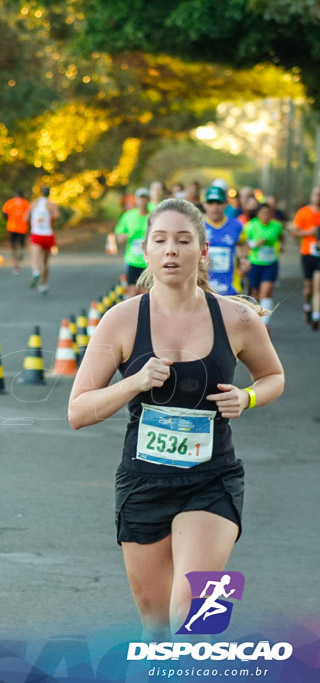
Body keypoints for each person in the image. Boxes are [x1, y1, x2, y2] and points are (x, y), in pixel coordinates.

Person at [67, 198, 284, 642]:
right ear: (145, 251)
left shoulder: (237, 318)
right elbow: (78, 411)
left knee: (197, 617)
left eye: (184, 241)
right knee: (157, 628)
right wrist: (133, 383)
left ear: (203, 251)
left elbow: (273, 377)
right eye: (160, 241)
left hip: (213, 479)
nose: (171, 250)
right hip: (144, 483)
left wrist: (247, 397)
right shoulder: (121, 320)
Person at [241, 203, 282, 328]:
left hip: (271, 263)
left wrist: (279, 247)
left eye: (268, 213)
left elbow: (281, 238)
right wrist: (255, 244)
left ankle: (265, 324)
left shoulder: (276, 226)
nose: (266, 215)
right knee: (255, 294)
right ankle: (254, 321)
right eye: (263, 213)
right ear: (258, 214)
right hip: (255, 263)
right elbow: (244, 244)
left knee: (267, 290)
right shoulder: (250, 226)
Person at [202, 185, 244, 296]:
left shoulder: (236, 225)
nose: (215, 207)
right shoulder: (196, 225)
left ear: (226, 204)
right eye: (211, 203)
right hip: (202, 287)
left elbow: (244, 244)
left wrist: (245, 260)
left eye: (219, 203)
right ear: (204, 204)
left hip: (231, 287)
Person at [289, 186, 320, 330]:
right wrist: (309, 232)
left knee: (318, 284)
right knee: (308, 287)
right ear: (312, 195)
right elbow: (294, 232)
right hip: (308, 253)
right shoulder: (304, 212)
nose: (318, 196)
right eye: (316, 194)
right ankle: (307, 306)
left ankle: (316, 316)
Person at [114, 187, 151, 298]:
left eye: (145, 198)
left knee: (145, 293)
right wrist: (127, 235)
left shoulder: (153, 216)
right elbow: (119, 235)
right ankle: (134, 315)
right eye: (140, 198)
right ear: (136, 200)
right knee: (133, 293)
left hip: (148, 262)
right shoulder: (129, 216)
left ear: (148, 200)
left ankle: (145, 315)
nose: (142, 201)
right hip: (132, 260)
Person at [24, 186, 60, 294]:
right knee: (45, 262)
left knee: (35, 257)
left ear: (40, 193)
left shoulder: (34, 204)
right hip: (48, 234)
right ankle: (43, 285)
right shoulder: (51, 205)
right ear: (49, 194)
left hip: (36, 234)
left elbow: (25, 218)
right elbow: (56, 216)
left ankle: (35, 272)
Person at [1, 189, 30, 275]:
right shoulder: (26, 203)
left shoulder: (9, 202)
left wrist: (9, 220)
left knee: (13, 247)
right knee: (21, 244)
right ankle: (21, 251)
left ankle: (16, 264)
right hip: (22, 228)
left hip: (12, 227)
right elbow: (29, 216)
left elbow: (4, 214)